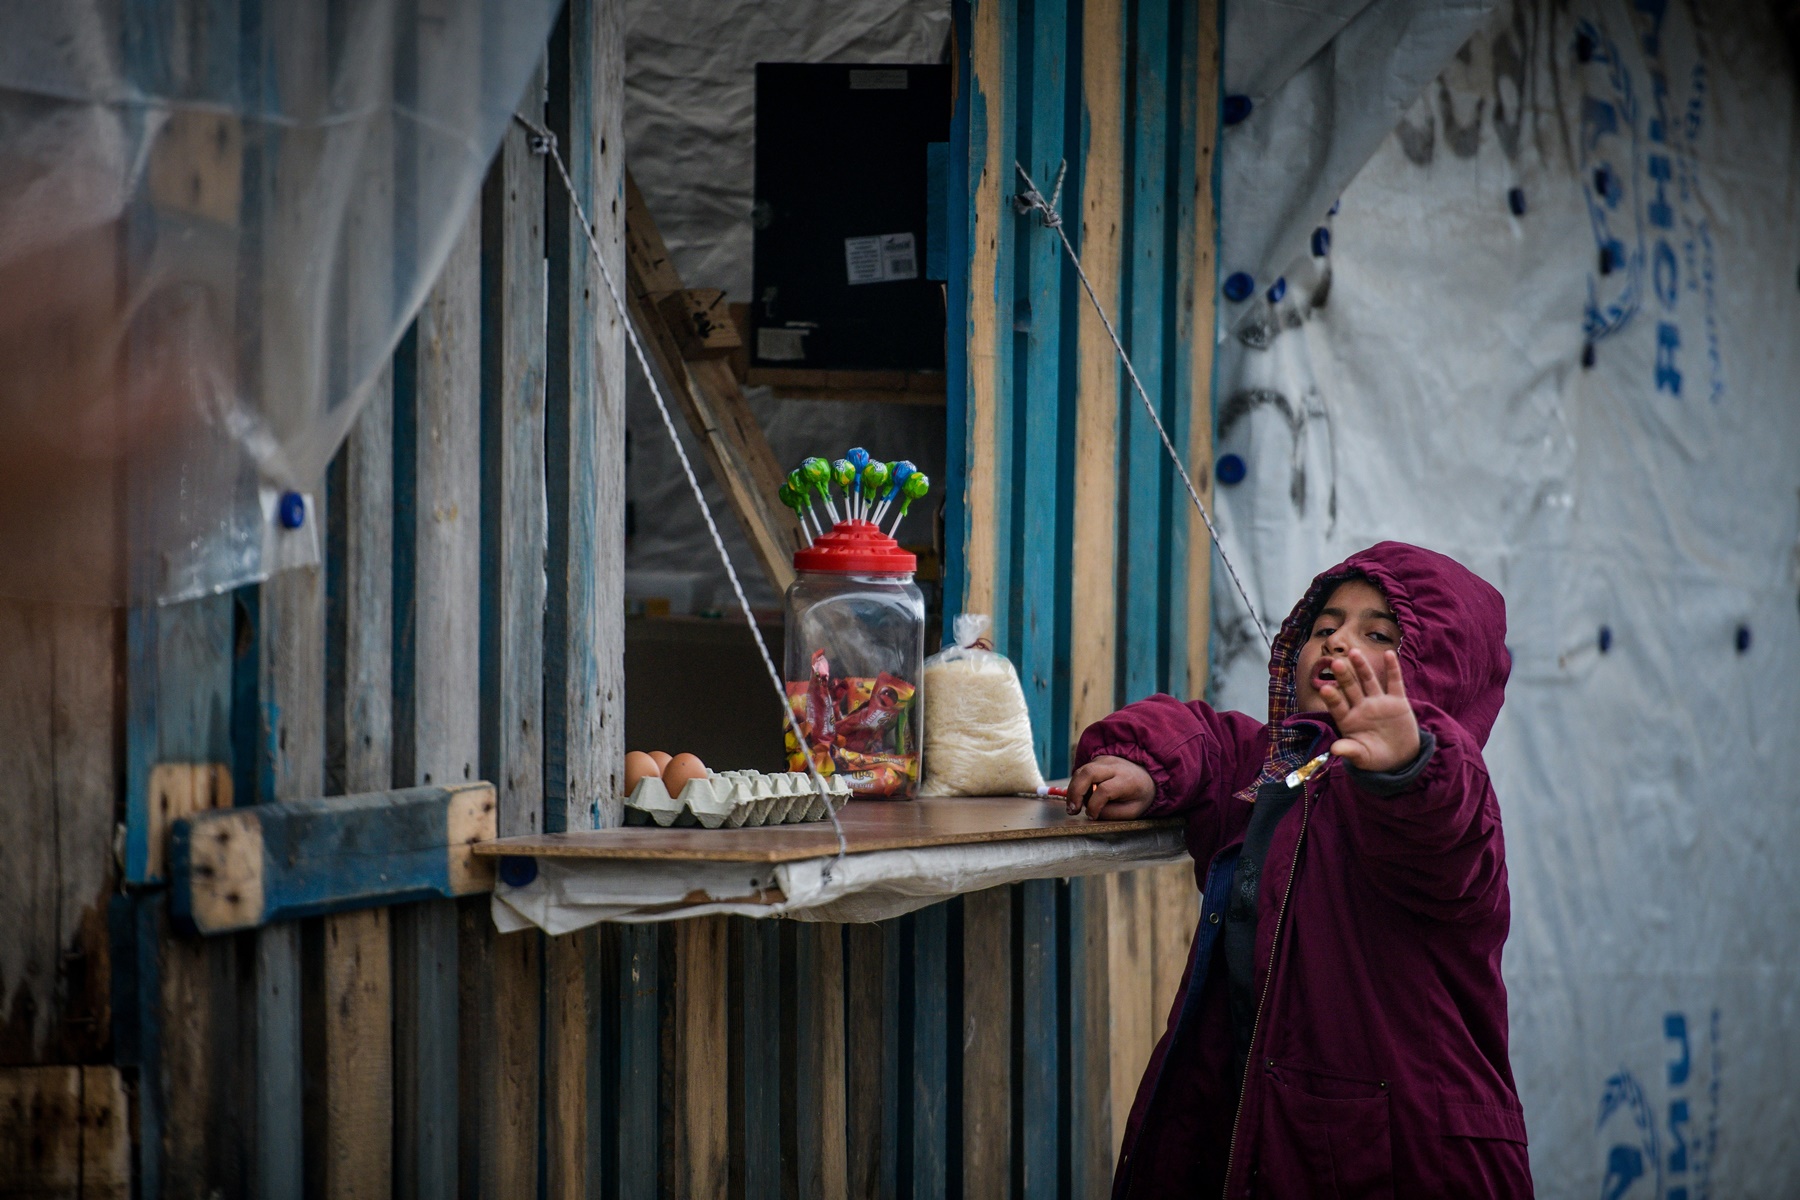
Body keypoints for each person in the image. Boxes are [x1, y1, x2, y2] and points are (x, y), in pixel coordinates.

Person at [1068, 541, 1531, 1198]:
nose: (1339, 643)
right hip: (1270, 1130)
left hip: (1412, 1156)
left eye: (1379, 633)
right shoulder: (1280, 766)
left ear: (1438, 670)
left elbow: (1441, 827)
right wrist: (1145, 766)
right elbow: (1200, 737)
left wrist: (1404, 763)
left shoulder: (1441, 788)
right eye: (1324, 626)